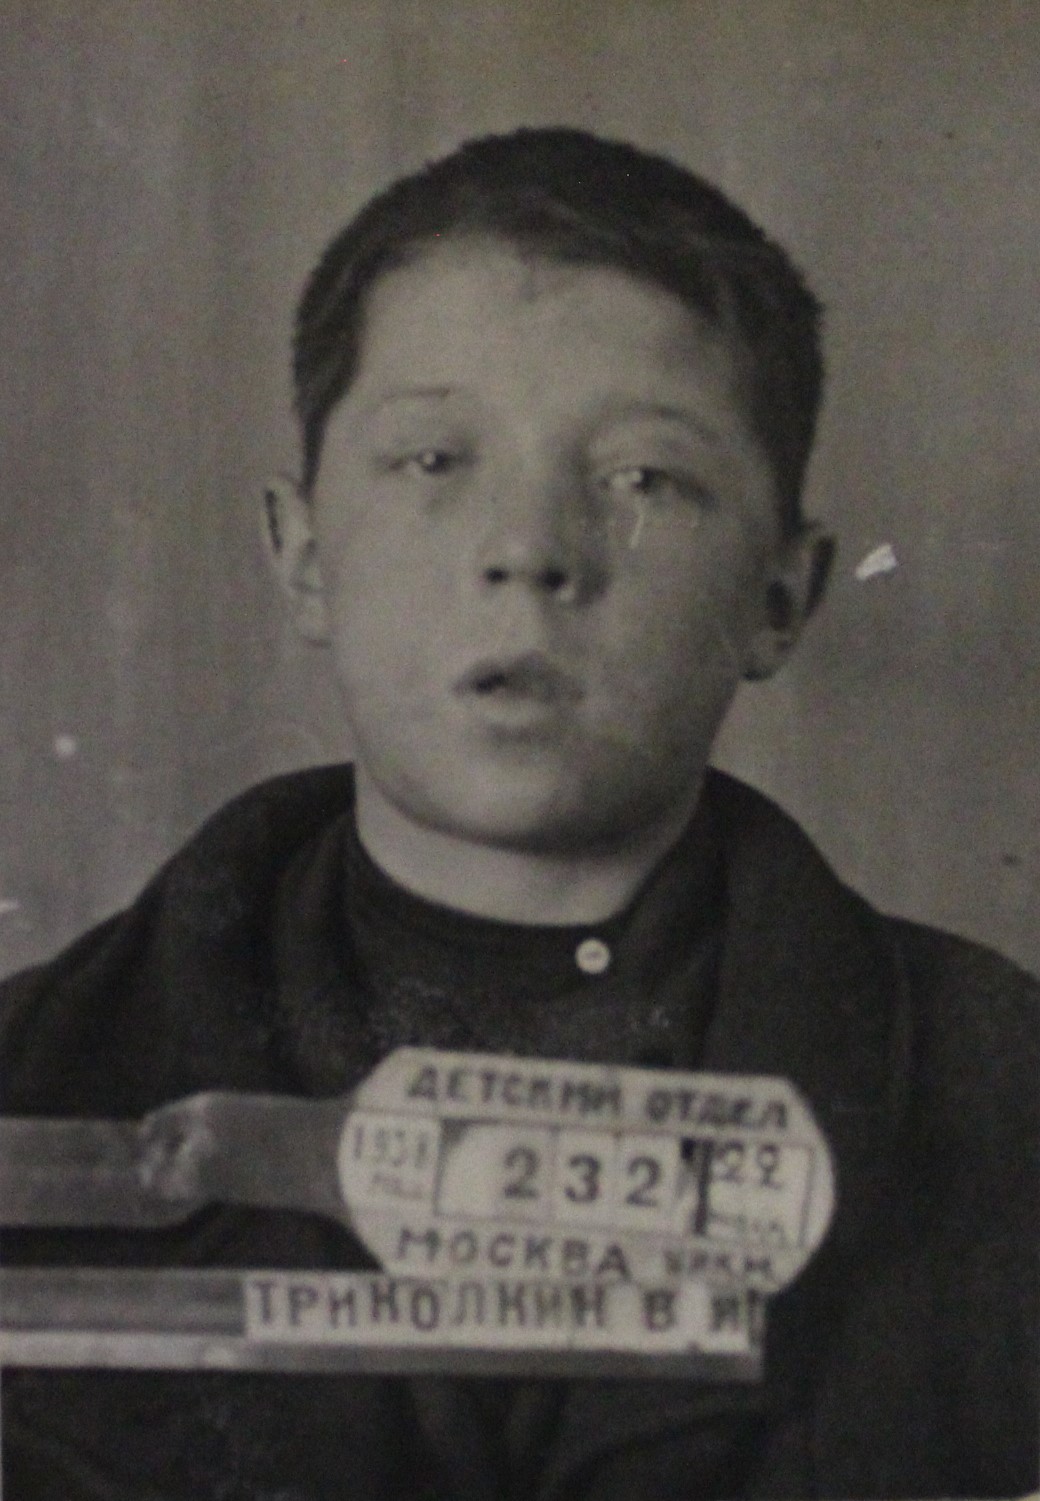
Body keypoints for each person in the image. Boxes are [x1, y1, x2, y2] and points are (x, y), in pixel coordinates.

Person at [1, 127, 1036, 1500]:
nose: (530, 549)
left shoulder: (1003, 1100)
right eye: (435, 458)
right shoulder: (31, 1073)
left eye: (644, 478)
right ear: (303, 556)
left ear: (782, 597)